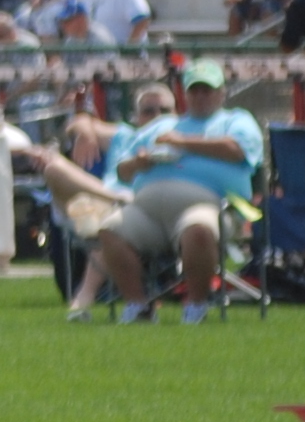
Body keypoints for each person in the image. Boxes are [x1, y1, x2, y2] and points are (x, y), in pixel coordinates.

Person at [90, 54, 264, 319]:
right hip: (147, 211)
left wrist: (183, 142)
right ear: (184, 93)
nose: (201, 96)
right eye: (195, 90)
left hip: (210, 205)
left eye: (207, 90)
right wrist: (139, 163)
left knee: (199, 230)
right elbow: (122, 170)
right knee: (110, 229)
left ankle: (196, 305)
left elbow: (237, 150)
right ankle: (138, 305)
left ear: (222, 93)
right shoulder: (162, 125)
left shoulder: (236, 120)